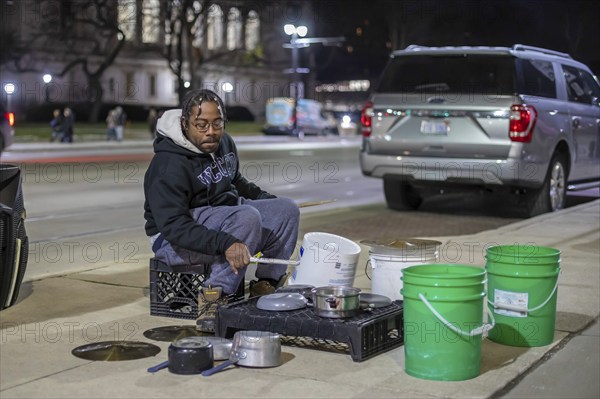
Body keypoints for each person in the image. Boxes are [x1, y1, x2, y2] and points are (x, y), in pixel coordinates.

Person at [143, 89, 299, 333]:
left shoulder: (223, 143)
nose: (211, 132)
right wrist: (225, 242)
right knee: (246, 217)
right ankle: (213, 299)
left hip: (224, 218)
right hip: (173, 241)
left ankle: (266, 285)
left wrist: (268, 202)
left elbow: (235, 181)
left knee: (287, 210)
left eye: (217, 123)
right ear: (185, 123)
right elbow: (173, 226)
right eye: (201, 125)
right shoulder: (168, 165)